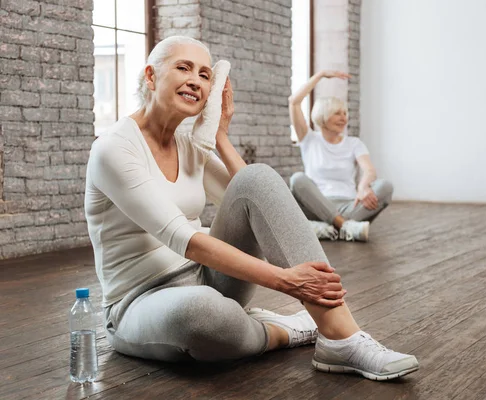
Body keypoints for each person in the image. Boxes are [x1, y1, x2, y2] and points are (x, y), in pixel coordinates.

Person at [84, 36, 419, 381]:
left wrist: (220, 139)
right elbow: (184, 238)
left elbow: (257, 199)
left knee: (258, 177)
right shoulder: (114, 149)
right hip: (138, 302)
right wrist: (286, 282)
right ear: (151, 76)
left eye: (204, 75)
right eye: (183, 68)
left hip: (205, 276)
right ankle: (283, 331)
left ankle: (341, 337)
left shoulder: (188, 143)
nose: (196, 81)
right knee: (202, 315)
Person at [288, 71, 394, 242]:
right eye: (337, 113)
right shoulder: (309, 139)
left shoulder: (354, 143)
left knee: (385, 187)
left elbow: (369, 170)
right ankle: (346, 227)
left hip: (350, 205)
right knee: (297, 179)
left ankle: (327, 228)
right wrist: (320, 76)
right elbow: (294, 102)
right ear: (323, 115)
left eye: (345, 114)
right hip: (316, 205)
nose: (343, 118)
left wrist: (363, 187)